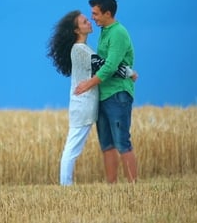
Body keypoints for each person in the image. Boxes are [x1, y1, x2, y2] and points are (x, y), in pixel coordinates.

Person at [47, 10, 137, 186]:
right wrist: (130, 73)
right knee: (73, 148)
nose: (89, 22)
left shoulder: (84, 49)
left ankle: (66, 184)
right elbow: (107, 66)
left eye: (88, 19)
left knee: (73, 146)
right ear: (77, 30)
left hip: (85, 106)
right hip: (83, 107)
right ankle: (65, 185)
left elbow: (104, 65)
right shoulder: (80, 50)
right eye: (84, 22)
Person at [75, 0, 138, 183]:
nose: (92, 17)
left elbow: (110, 66)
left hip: (118, 94)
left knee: (122, 142)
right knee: (107, 144)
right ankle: (111, 186)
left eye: (95, 13)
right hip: (103, 95)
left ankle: (133, 187)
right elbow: (102, 62)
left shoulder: (118, 33)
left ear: (108, 13)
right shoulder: (105, 31)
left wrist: (88, 84)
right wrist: (130, 72)